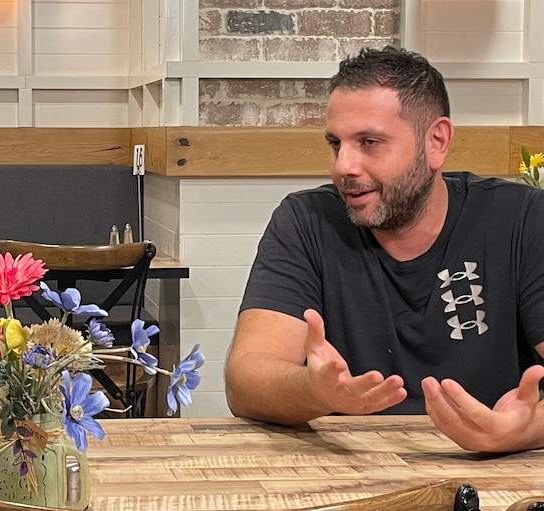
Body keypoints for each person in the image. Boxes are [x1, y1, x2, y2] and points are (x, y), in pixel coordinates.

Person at [225, 46, 544, 453]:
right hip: (349, 474)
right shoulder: (307, 221)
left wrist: (528, 431)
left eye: (369, 142)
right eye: (335, 144)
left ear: (436, 142)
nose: (344, 166)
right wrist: (314, 391)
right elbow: (245, 379)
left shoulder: (521, 219)